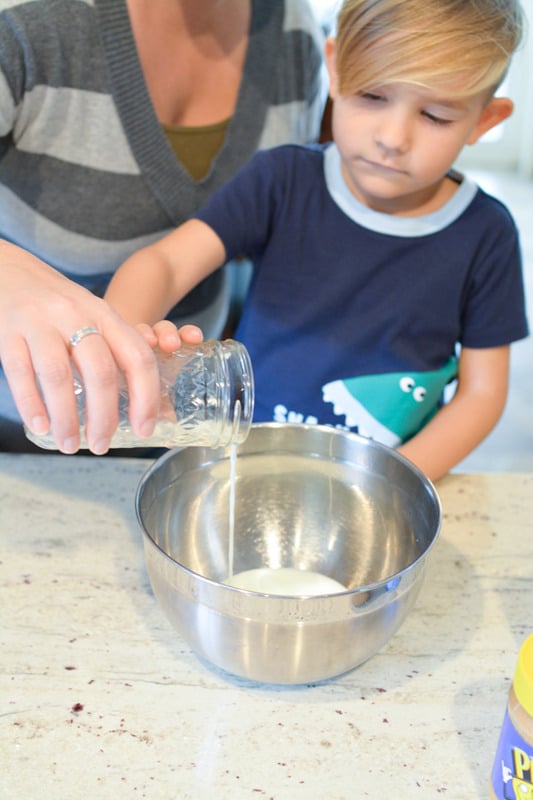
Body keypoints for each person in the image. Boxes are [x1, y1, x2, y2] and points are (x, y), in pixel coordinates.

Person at [105, 0, 529, 482]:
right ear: (335, 67)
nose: (392, 137)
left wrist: (387, 482)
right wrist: (125, 343)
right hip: (243, 463)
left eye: (434, 115)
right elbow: (164, 264)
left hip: (379, 481)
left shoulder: (486, 235)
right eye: (372, 96)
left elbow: (481, 396)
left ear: (485, 120)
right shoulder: (281, 180)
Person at [0, 0, 327, 453]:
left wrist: (132, 370)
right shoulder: (25, 25)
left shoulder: (294, 32)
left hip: (178, 413)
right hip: (24, 423)